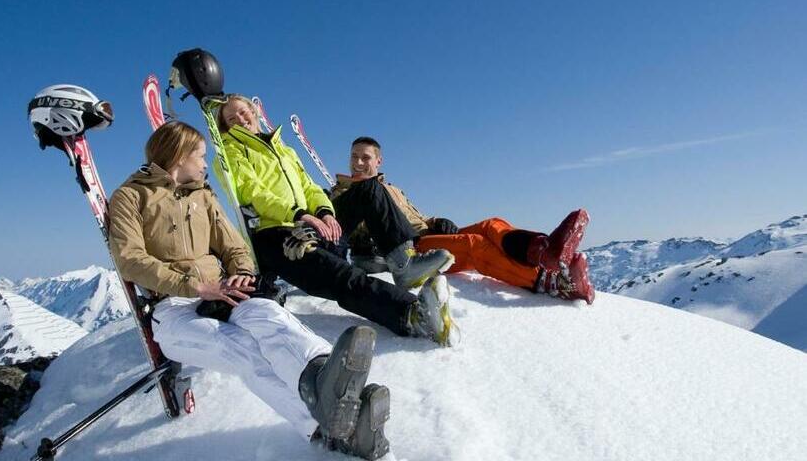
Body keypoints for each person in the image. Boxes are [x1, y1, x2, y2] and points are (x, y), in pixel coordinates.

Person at [108, 121, 390, 460]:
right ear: (179, 156)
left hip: (222, 292)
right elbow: (130, 260)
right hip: (172, 306)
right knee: (241, 348)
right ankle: (326, 431)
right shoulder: (131, 196)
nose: (203, 162)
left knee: (271, 316)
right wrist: (195, 285)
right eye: (199, 155)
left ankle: (325, 376)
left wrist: (241, 273)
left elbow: (235, 246)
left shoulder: (203, 196)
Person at [214, 93, 459, 347]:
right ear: (226, 126)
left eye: (244, 112)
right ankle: (412, 315)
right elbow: (254, 194)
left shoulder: (282, 149)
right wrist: (299, 215)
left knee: (369, 189)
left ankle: (403, 265)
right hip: (278, 236)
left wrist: (325, 212)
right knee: (342, 275)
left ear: (253, 113)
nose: (241, 120)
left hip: (311, 225)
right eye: (232, 118)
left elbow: (310, 187)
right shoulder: (229, 153)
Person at [332, 136, 595, 304]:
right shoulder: (347, 193)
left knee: (491, 224)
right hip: (406, 248)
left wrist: (436, 221)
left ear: (378, 161)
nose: (358, 163)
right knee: (474, 244)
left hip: (425, 234)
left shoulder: (391, 189)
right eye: (354, 157)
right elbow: (350, 229)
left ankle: (543, 251)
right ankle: (552, 282)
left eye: (365, 157)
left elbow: (417, 218)